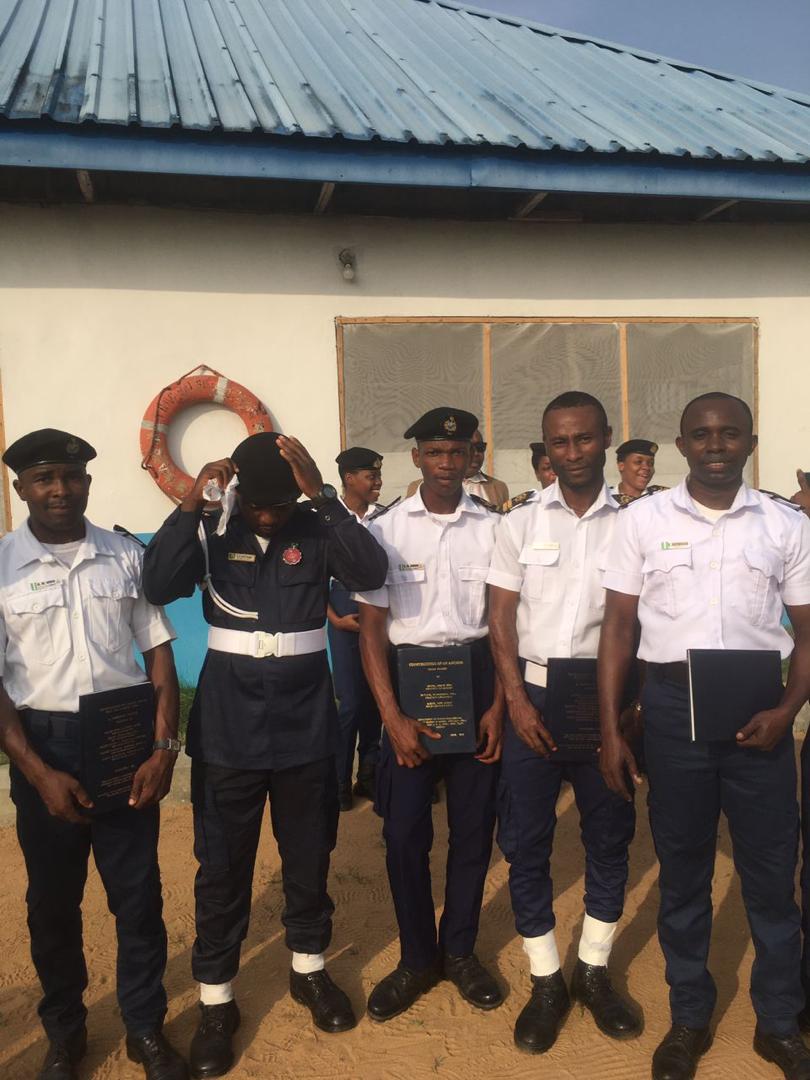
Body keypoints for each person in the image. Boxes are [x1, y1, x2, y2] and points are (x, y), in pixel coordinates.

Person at [142, 432, 387, 1079]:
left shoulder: (317, 523)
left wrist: (323, 497)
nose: (270, 515)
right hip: (230, 723)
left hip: (306, 721)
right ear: (238, 491)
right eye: (259, 503)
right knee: (222, 866)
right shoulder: (213, 527)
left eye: (281, 504)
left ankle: (309, 969)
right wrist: (190, 505)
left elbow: (371, 573)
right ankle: (216, 999)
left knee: (309, 852)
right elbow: (158, 583)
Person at [598, 392, 810, 1080]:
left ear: (750, 442)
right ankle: (689, 1016)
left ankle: (779, 1022)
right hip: (672, 710)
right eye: (702, 434)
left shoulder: (785, 525)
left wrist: (788, 708)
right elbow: (618, 629)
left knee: (771, 876)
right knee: (684, 872)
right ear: (682, 444)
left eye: (729, 433)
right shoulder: (642, 521)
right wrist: (611, 728)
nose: (716, 445)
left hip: (760, 713)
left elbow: (809, 633)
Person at [0, 429, 186, 1080]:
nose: (60, 489)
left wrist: (164, 746)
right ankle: (65, 1034)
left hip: (123, 743)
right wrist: (36, 772)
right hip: (44, 746)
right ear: (21, 488)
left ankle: (145, 1028)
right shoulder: (2, 566)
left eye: (71, 476)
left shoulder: (124, 555)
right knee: (52, 906)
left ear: (87, 482)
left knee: (137, 899)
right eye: (44, 478)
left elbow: (158, 653)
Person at [487, 391, 641, 1055]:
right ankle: (547, 978)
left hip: (606, 705)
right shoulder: (520, 523)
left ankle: (594, 968)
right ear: (546, 447)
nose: (572, 452)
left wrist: (631, 711)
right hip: (537, 699)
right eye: (559, 441)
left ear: (605, 438)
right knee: (526, 840)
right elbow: (499, 617)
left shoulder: (635, 524)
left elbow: (644, 621)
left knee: (610, 836)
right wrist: (515, 700)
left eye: (583, 438)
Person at [356, 407, 505, 1021]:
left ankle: (461, 951)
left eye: (458, 452)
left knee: (473, 832)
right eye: (435, 452)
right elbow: (371, 631)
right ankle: (418, 957)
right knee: (403, 833)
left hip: (476, 680)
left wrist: (499, 704)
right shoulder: (385, 531)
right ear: (416, 457)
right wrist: (390, 716)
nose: (447, 463)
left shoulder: (495, 528)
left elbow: (506, 625)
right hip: (409, 685)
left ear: (473, 457)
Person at [328, 447, 384, 810]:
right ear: (349, 478)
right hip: (344, 610)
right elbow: (312, 576)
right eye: (370, 476)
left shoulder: (385, 517)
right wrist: (334, 618)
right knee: (349, 703)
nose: (378, 481)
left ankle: (369, 774)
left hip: (378, 613)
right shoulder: (327, 519)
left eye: (378, 475)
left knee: (375, 700)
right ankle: (338, 782)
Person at [406, 428, 509, 507]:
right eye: (459, 452)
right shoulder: (418, 487)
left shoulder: (498, 487)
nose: (476, 453)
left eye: (480, 447)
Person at [611, 438, 667, 507]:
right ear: (621, 466)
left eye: (651, 463)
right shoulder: (606, 499)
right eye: (638, 462)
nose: (646, 467)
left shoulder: (663, 499)